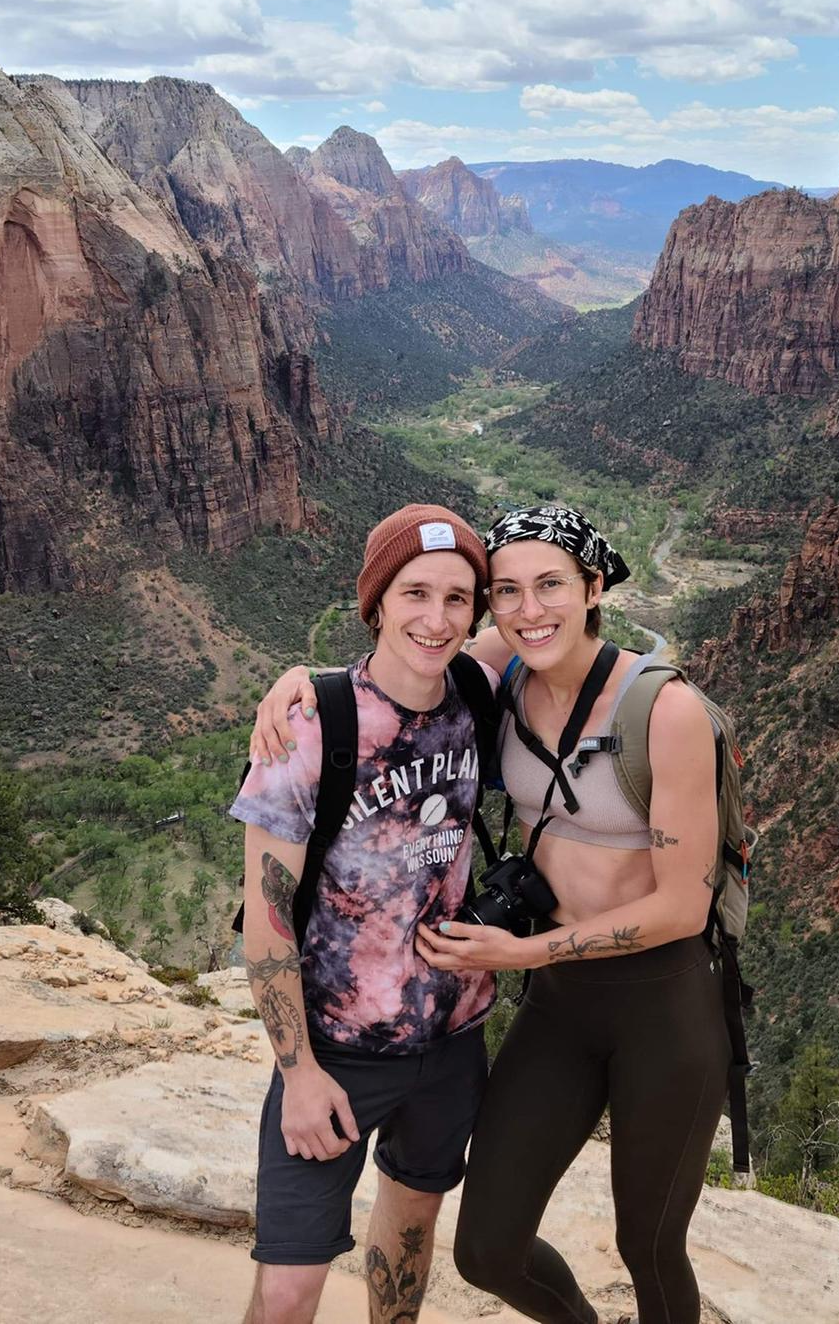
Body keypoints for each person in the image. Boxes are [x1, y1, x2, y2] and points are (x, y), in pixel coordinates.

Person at [252, 505, 729, 1324]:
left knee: (647, 1246)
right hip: (503, 1015)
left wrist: (523, 956)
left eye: (551, 585)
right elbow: (403, 659)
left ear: (594, 586)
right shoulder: (456, 686)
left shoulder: (639, 706)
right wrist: (299, 681)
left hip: (630, 1003)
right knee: (475, 1251)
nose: (526, 607)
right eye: (506, 591)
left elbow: (687, 904)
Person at [231, 503, 500, 1324]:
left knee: (410, 1238)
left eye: (458, 598)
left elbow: (550, 634)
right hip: (336, 1052)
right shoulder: (312, 727)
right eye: (415, 593)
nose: (437, 618)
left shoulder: (479, 689)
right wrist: (299, 1074)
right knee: (287, 1290)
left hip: (453, 1040)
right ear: (376, 600)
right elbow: (268, 924)